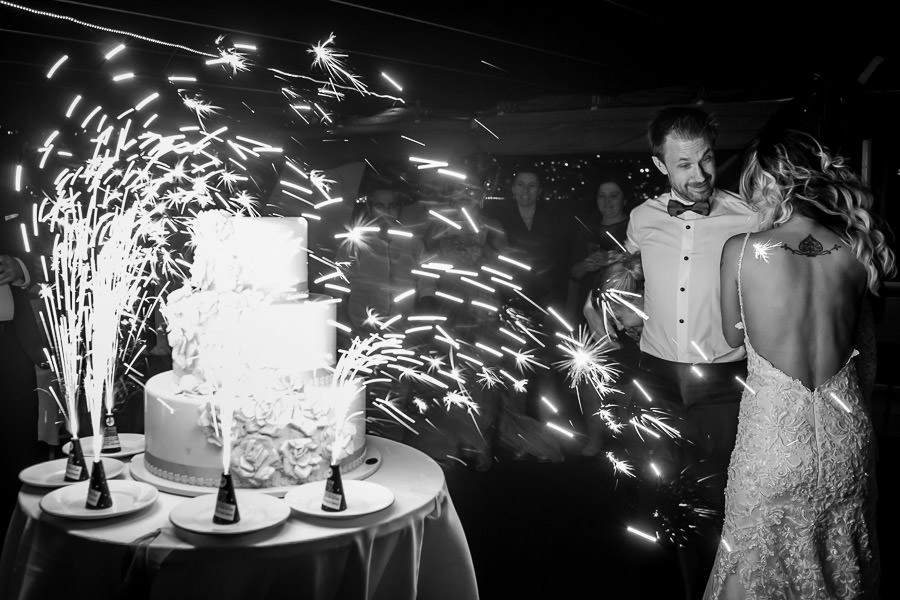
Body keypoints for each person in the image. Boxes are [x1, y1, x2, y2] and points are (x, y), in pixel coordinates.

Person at [703, 129, 893, 598]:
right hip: (845, 437)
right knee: (838, 566)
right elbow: (865, 357)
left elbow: (731, 337)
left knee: (756, 564)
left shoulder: (740, 249)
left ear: (769, 182)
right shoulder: (854, 250)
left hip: (774, 441)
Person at [623, 106, 759, 599]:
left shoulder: (748, 216)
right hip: (654, 374)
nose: (700, 174)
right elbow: (625, 271)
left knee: (714, 496)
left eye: (706, 160)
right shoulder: (641, 218)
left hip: (722, 381)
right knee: (654, 490)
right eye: (683, 164)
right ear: (661, 165)